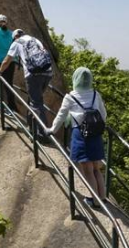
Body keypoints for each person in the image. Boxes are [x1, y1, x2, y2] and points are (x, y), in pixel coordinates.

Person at [45, 67, 107, 208]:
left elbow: (61, 115)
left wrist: (52, 130)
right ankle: (102, 198)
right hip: (95, 135)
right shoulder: (95, 94)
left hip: (81, 135)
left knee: (87, 170)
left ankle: (95, 201)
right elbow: (103, 115)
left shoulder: (70, 97)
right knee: (96, 168)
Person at [0, 29, 53, 134]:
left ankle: (42, 133)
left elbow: (7, 60)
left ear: (15, 37)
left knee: (36, 103)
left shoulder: (17, 42)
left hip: (33, 75)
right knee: (35, 100)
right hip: (47, 72)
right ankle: (31, 126)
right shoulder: (35, 40)